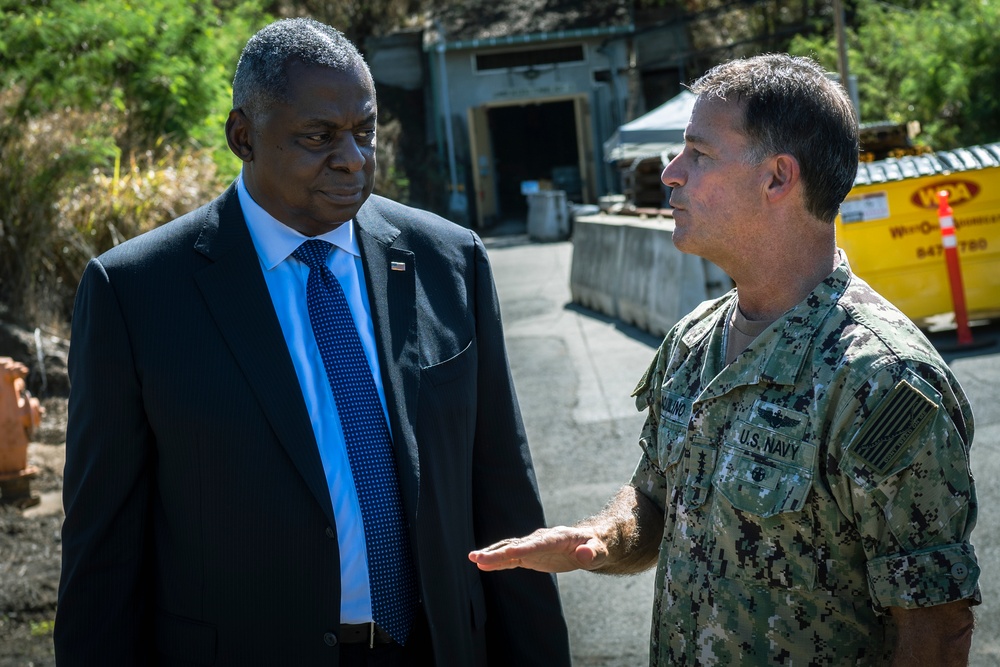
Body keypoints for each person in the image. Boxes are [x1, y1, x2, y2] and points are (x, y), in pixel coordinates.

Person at [55, 17, 571, 666]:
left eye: (364, 131)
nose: (353, 158)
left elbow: (504, 492)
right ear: (243, 136)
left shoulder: (449, 259)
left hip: (436, 645)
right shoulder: (137, 293)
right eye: (319, 137)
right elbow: (104, 548)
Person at [470, 53, 980, 666]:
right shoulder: (693, 341)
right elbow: (656, 502)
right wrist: (600, 539)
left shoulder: (881, 380)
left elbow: (935, 628)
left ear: (776, 178)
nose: (670, 173)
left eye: (698, 152)